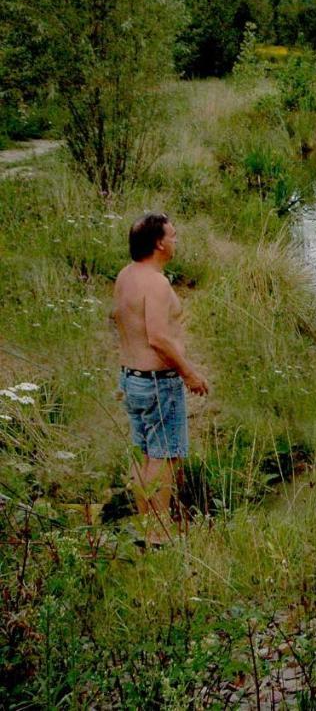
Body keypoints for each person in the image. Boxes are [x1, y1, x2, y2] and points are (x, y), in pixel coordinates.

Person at [113, 213, 209, 545]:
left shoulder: (126, 276)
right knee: (165, 457)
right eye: (173, 235)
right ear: (159, 243)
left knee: (146, 455)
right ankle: (159, 533)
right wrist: (189, 373)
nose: (176, 240)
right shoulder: (156, 282)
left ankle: (146, 527)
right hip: (157, 382)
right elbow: (157, 337)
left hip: (132, 378)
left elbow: (123, 322)